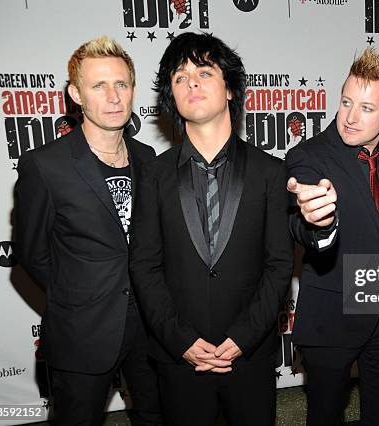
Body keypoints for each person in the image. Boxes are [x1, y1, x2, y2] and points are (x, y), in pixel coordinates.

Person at [128, 32, 294, 426]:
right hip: (179, 359)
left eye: (204, 72)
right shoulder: (153, 175)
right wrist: (181, 341)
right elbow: (144, 266)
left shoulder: (270, 171)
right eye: (180, 77)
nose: (192, 83)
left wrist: (243, 337)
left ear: (231, 89)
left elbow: (279, 264)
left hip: (249, 357)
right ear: (170, 95)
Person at [14, 36, 161, 425]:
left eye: (122, 84)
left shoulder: (148, 158)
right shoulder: (45, 166)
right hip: (82, 330)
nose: (113, 97)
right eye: (99, 85)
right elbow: (32, 254)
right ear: (75, 94)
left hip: (151, 326)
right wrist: (81, 294)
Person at [285, 48, 379, 426]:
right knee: (324, 414)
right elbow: (298, 218)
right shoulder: (309, 156)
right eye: (346, 102)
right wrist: (318, 221)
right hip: (331, 316)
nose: (350, 117)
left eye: (367, 109)